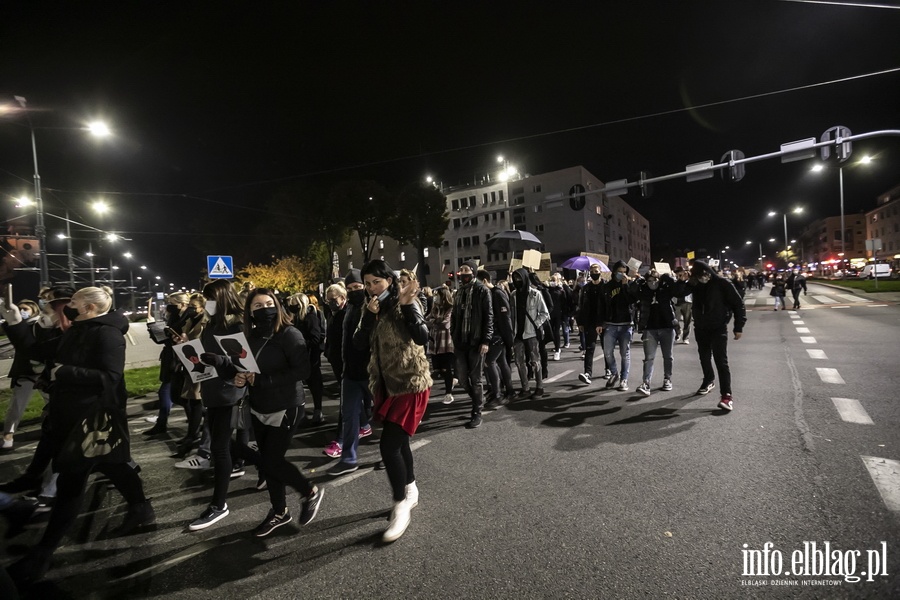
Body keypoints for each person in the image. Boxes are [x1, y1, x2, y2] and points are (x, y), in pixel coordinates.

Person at [10, 287, 154, 585]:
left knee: (71, 482)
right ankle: (141, 509)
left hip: (93, 419)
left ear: (88, 307)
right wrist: (15, 324)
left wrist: (63, 373)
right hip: (72, 416)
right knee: (112, 465)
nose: (68, 308)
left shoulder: (107, 334)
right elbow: (37, 351)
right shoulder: (79, 329)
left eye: (73, 303)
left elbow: (110, 378)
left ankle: (42, 555)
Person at [215, 288, 323, 536]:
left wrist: (262, 380)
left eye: (268, 304)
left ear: (277, 306)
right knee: (270, 464)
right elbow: (240, 366)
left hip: (286, 406)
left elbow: (302, 371)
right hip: (259, 406)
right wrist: (238, 377)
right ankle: (280, 512)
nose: (263, 309)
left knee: (272, 461)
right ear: (249, 312)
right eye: (257, 306)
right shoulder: (247, 337)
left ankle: (309, 492)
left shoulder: (289, 334)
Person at [354, 259, 431, 542]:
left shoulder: (405, 302)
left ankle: (400, 504)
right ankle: (410, 489)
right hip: (386, 386)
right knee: (400, 443)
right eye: (368, 283)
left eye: (377, 281)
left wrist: (409, 305)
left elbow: (422, 337)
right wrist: (368, 317)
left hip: (411, 384)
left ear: (389, 279)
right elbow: (359, 344)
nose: (372, 288)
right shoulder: (371, 308)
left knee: (389, 446)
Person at [184, 279, 246, 531]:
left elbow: (243, 360)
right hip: (213, 389)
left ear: (220, 298)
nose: (206, 303)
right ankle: (273, 471)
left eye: (209, 298)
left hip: (229, 392)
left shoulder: (237, 323)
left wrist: (221, 361)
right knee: (228, 447)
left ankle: (218, 505)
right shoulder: (213, 322)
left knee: (220, 448)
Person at [324, 269, 374, 470]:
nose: (355, 291)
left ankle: (390, 453)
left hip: (371, 373)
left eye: (358, 287)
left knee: (383, 417)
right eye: (351, 287)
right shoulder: (349, 309)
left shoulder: (371, 307)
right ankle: (348, 459)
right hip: (350, 373)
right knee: (349, 416)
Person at [688, 261, 747, 411]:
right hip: (700, 327)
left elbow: (738, 304)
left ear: (708, 273)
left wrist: (738, 326)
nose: (701, 278)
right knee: (704, 356)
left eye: (701, 275)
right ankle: (708, 380)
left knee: (721, 360)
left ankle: (726, 396)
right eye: (697, 276)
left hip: (718, 327)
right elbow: (677, 293)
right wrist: (684, 281)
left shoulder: (722, 283)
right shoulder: (695, 284)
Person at [449, 261, 493, 429]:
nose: (462, 273)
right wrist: (453, 333)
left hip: (476, 341)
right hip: (460, 341)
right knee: (461, 377)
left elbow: (488, 317)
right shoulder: (459, 292)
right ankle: (477, 400)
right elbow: (454, 315)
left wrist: (485, 340)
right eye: (461, 270)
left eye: (466, 270)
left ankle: (477, 411)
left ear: (473, 272)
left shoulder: (482, 290)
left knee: (475, 379)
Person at [143, 292, 194, 437]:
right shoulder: (176, 317)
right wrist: (153, 327)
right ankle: (167, 423)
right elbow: (164, 339)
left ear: (183, 304)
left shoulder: (188, 317)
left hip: (179, 360)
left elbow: (177, 338)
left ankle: (194, 426)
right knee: (173, 393)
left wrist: (156, 328)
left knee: (176, 395)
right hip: (171, 359)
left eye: (172, 303)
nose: (169, 306)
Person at [2, 298, 43, 450]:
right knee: (17, 405)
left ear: (34, 309)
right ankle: (8, 435)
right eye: (19, 309)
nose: (22, 312)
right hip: (25, 371)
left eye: (25, 309)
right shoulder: (18, 325)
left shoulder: (41, 324)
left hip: (42, 370)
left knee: (52, 401)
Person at [633, 270, 679, 396]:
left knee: (668, 356)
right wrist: (639, 280)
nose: (653, 282)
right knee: (649, 358)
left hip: (667, 327)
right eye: (650, 280)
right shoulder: (644, 292)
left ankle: (667, 379)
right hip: (649, 329)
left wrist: (667, 278)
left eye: (656, 280)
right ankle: (646, 383)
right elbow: (633, 292)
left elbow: (677, 290)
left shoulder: (665, 291)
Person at [476, 270, 516, 408]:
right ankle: (506, 391)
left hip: (498, 334)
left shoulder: (497, 293)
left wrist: (508, 338)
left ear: (486, 281)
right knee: (501, 362)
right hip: (494, 334)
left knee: (490, 362)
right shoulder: (487, 293)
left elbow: (506, 317)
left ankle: (499, 393)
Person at [509, 268, 550, 399]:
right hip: (517, 334)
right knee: (519, 362)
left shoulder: (535, 294)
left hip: (531, 333)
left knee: (535, 361)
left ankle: (539, 387)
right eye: (515, 278)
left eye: (520, 278)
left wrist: (536, 324)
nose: (517, 281)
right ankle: (525, 388)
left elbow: (545, 313)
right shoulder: (513, 295)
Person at [599, 261, 638, 392]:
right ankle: (614, 373)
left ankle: (624, 379)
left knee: (624, 353)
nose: (622, 274)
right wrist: (600, 322)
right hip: (611, 324)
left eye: (624, 272)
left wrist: (626, 286)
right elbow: (602, 305)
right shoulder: (607, 286)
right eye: (619, 272)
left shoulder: (630, 284)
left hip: (626, 324)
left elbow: (631, 301)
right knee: (607, 352)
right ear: (614, 272)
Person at [576, 263, 605, 385]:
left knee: (606, 348)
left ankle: (608, 370)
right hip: (589, 322)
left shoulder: (606, 287)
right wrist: (580, 322)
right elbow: (580, 306)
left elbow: (608, 306)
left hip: (603, 323)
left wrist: (603, 323)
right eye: (592, 271)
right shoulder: (586, 288)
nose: (594, 273)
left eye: (596, 271)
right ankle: (587, 373)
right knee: (589, 348)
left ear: (600, 272)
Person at [425, 286, 455, 404]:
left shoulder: (450, 308)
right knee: (436, 369)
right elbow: (426, 320)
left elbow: (445, 324)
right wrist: (433, 321)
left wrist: (433, 321)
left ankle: (448, 393)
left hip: (445, 342)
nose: (435, 297)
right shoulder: (435, 308)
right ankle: (450, 383)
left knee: (446, 368)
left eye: (437, 295)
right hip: (434, 342)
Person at [673, 267, 693, 345]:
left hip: (687, 302)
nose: (681, 275)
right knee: (675, 320)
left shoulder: (689, 281)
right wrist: (680, 280)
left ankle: (686, 338)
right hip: (677, 302)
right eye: (679, 273)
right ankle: (678, 332)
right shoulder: (675, 280)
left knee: (687, 321)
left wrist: (686, 279)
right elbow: (675, 289)